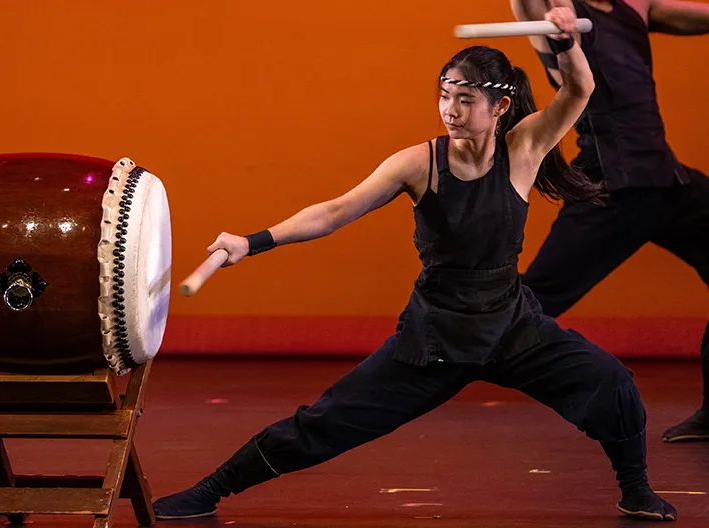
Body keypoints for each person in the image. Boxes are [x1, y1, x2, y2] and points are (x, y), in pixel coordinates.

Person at [152, 8, 677, 523]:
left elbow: (578, 92)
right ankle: (209, 490)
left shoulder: (524, 148)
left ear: (499, 106)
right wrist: (252, 241)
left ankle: (635, 491)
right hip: (437, 338)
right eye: (444, 94)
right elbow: (334, 212)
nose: (449, 108)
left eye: (465, 98)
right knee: (324, 423)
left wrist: (566, 44)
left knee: (610, 383)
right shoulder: (418, 163)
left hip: (512, 326)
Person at [513, 0, 709, 444]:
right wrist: (557, 27)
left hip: (667, 181)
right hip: (611, 189)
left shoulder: (637, 7)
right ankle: (410, 365)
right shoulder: (552, 9)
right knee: (523, 305)